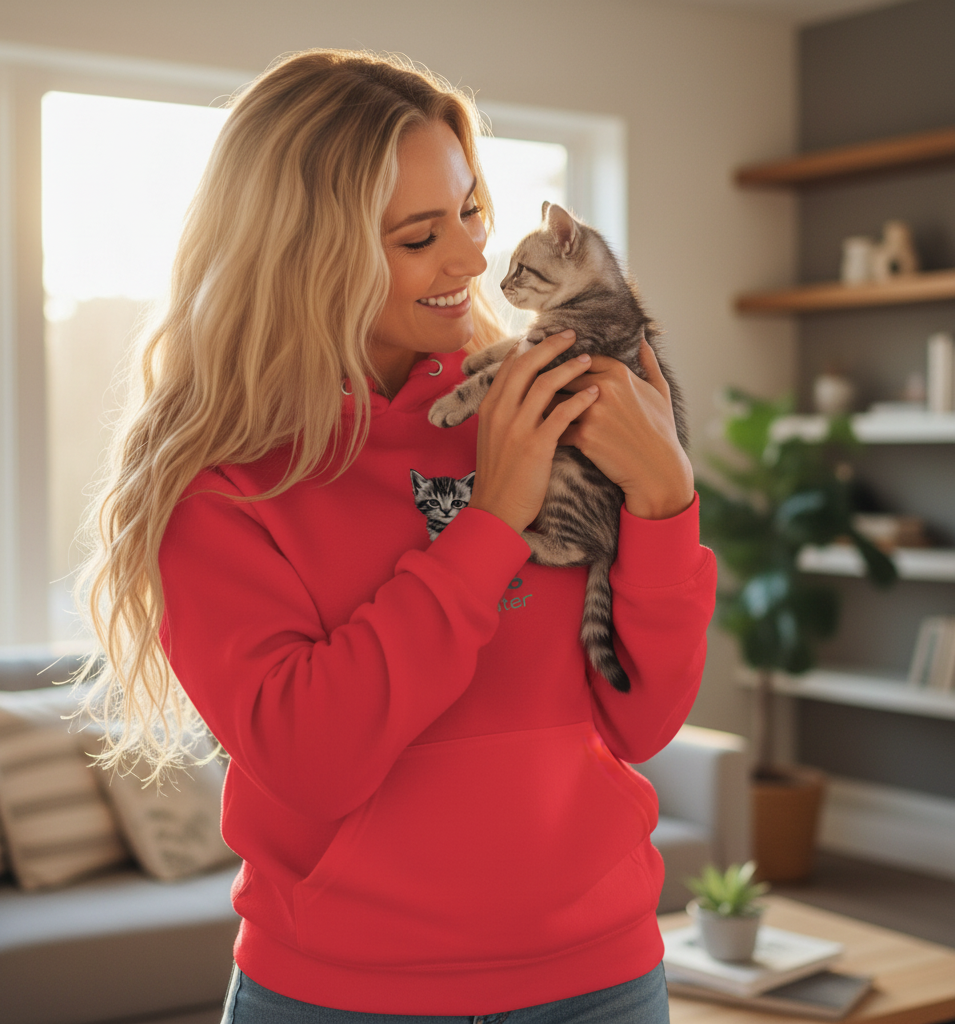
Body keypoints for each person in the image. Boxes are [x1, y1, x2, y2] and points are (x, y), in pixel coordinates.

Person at [80, 48, 716, 1024]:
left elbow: (641, 720)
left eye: (469, 212)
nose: (469, 260)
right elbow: (313, 759)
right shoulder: (218, 481)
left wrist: (667, 498)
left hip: (603, 982)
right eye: (421, 235)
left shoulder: (529, 400)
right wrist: (490, 523)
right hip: (345, 997)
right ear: (303, 254)